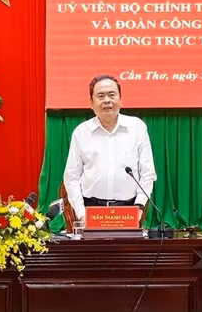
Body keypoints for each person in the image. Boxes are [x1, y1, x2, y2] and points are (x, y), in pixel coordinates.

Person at [63, 75, 157, 222]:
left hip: (128, 209)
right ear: (91, 103)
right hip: (91, 210)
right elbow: (71, 177)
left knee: (128, 246)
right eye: (100, 96)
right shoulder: (81, 132)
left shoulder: (137, 128)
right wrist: (81, 214)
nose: (107, 100)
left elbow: (147, 174)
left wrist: (139, 207)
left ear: (120, 99)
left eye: (111, 94)